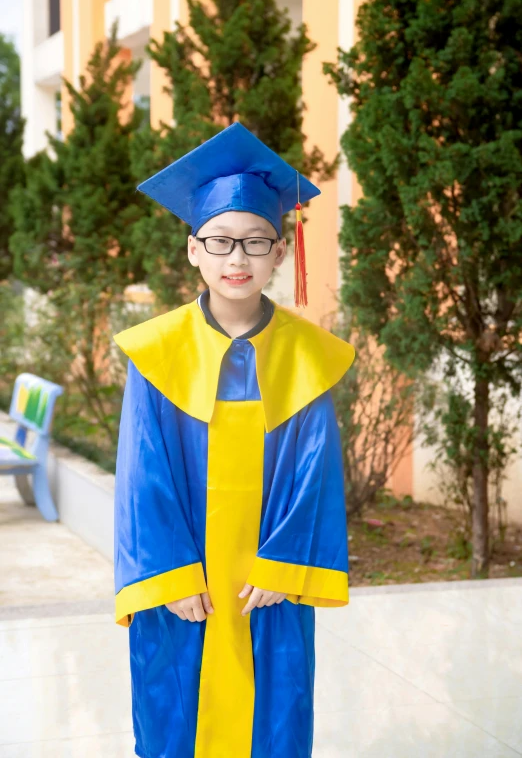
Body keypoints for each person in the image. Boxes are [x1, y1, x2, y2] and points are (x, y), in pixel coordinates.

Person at [112, 122, 356, 758]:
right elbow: (143, 474)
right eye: (220, 242)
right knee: (175, 717)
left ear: (281, 251)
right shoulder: (155, 353)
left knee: (274, 714)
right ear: (193, 250)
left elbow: (316, 471)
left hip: (264, 582)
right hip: (185, 582)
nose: (238, 259)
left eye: (255, 242)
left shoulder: (307, 357)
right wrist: (168, 573)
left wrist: (284, 565)